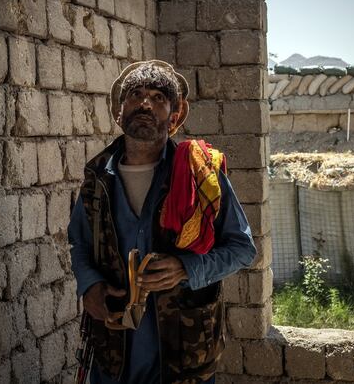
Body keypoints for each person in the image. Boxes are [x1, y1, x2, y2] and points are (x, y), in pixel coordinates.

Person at [68, 60, 257, 384]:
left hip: (184, 355)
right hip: (113, 354)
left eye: (158, 98)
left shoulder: (201, 177)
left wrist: (187, 268)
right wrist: (90, 287)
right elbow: (80, 244)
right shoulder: (96, 179)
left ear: (174, 117)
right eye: (136, 94)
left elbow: (242, 248)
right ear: (119, 111)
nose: (145, 103)